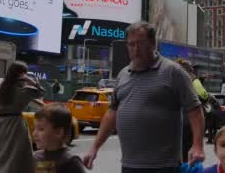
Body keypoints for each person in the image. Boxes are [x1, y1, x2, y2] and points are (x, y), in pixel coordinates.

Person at [83, 22, 205, 172]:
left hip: (164, 166)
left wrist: (198, 145)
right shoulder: (123, 75)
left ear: (153, 44)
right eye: (131, 44)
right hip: (129, 165)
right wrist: (94, 147)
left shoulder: (174, 72)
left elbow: (195, 109)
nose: (136, 50)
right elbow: (112, 114)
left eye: (141, 44)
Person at [0, 61, 44, 173]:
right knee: (18, 157)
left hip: (0, 126)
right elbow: (41, 92)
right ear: (22, 75)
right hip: (16, 125)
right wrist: (30, 81)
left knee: (0, 155)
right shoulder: (25, 90)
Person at [33, 103, 85, 173]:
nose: (34, 133)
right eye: (35, 128)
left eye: (41, 129)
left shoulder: (70, 161)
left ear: (58, 132)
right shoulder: (37, 157)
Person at [177, 59, 211, 163]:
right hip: (189, 119)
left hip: (174, 120)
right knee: (187, 150)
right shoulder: (194, 80)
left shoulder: (172, 78)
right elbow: (204, 96)